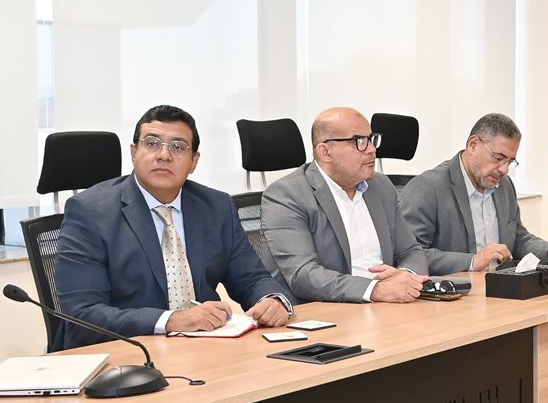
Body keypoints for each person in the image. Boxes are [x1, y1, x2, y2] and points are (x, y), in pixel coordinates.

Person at [54, 105, 293, 348]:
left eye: (178, 147)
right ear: (134, 152)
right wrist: (171, 321)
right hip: (123, 353)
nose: (164, 155)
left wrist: (272, 300)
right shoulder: (89, 212)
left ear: (193, 162)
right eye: (152, 143)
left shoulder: (217, 206)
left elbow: (252, 278)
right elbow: (82, 316)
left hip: (201, 349)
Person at [261, 107, 430, 303]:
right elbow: (303, 274)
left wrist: (406, 277)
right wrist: (375, 290)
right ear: (325, 152)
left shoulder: (381, 186)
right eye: (359, 141)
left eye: (372, 139)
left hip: (388, 306)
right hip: (328, 310)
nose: (372, 149)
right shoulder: (286, 195)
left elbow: (411, 251)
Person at [400, 112, 548, 274]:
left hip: (501, 288)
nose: (504, 169)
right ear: (473, 145)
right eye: (498, 158)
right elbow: (408, 255)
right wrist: (472, 261)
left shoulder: (504, 185)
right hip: (456, 294)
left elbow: (518, 238)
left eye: (510, 161)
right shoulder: (428, 187)